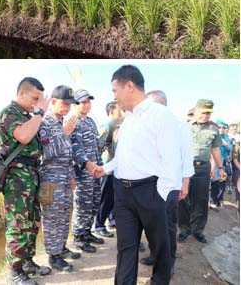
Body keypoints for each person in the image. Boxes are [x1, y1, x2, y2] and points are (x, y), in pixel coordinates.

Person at [96, 65, 179, 285]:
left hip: (150, 191)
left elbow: (172, 162)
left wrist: (159, 196)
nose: (113, 96)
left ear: (130, 86)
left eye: (115, 90)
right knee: (125, 248)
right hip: (123, 194)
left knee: (159, 246)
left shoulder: (161, 115)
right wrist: (104, 169)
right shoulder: (128, 119)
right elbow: (123, 156)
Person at [0, 77, 51, 285]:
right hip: (16, 179)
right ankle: (15, 272)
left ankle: (27, 262)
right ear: (21, 94)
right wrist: (38, 114)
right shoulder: (9, 113)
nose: (37, 104)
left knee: (31, 221)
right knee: (18, 224)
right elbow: (24, 137)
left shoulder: (27, 115)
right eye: (35, 98)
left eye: (40, 100)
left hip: (31, 176)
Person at [139, 90, 193, 275]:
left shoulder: (179, 126)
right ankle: (155, 254)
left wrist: (185, 182)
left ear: (161, 105)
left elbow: (187, 157)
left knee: (168, 225)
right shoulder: (145, 125)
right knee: (150, 223)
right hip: (147, 184)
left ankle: (168, 262)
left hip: (170, 185)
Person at [38, 86, 81, 273]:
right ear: (53, 101)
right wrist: (64, 133)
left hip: (64, 178)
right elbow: (47, 153)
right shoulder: (44, 122)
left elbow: (68, 153)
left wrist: (72, 176)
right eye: (64, 103)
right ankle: (53, 256)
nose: (68, 108)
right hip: (49, 180)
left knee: (64, 214)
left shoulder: (62, 122)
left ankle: (61, 247)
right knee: (51, 217)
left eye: (70, 105)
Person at [178, 99, 226, 244]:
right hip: (185, 167)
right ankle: (184, 229)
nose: (206, 115)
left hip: (202, 168)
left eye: (209, 113)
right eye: (204, 112)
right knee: (183, 199)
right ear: (196, 111)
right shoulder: (184, 126)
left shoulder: (214, 129)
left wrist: (220, 168)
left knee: (201, 200)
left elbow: (216, 149)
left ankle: (197, 230)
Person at [70, 89, 105, 253]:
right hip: (83, 171)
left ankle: (87, 232)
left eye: (89, 101)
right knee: (82, 205)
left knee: (94, 202)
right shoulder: (73, 122)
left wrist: (100, 165)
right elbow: (76, 148)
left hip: (95, 170)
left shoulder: (90, 122)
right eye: (83, 102)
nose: (87, 105)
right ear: (75, 104)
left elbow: (95, 147)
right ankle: (78, 237)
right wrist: (88, 164)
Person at [93, 101, 123, 238]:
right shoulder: (106, 126)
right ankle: (99, 225)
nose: (122, 113)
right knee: (105, 197)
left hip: (114, 168)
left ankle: (111, 220)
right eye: (119, 111)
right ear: (111, 112)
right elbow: (100, 145)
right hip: (106, 166)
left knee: (112, 197)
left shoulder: (120, 125)